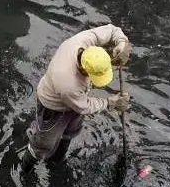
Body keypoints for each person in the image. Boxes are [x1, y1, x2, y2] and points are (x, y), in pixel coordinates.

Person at [25, 23, 132, 163]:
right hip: (53, 108)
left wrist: (122, 44)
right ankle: (26, 166)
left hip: (74, 102)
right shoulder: (67, 82)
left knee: (69, 134)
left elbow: (112, 30)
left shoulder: (83, 41)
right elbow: (83, 106)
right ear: (84, 69)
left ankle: (57, 160)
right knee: (43, 146)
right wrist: (110, 103)